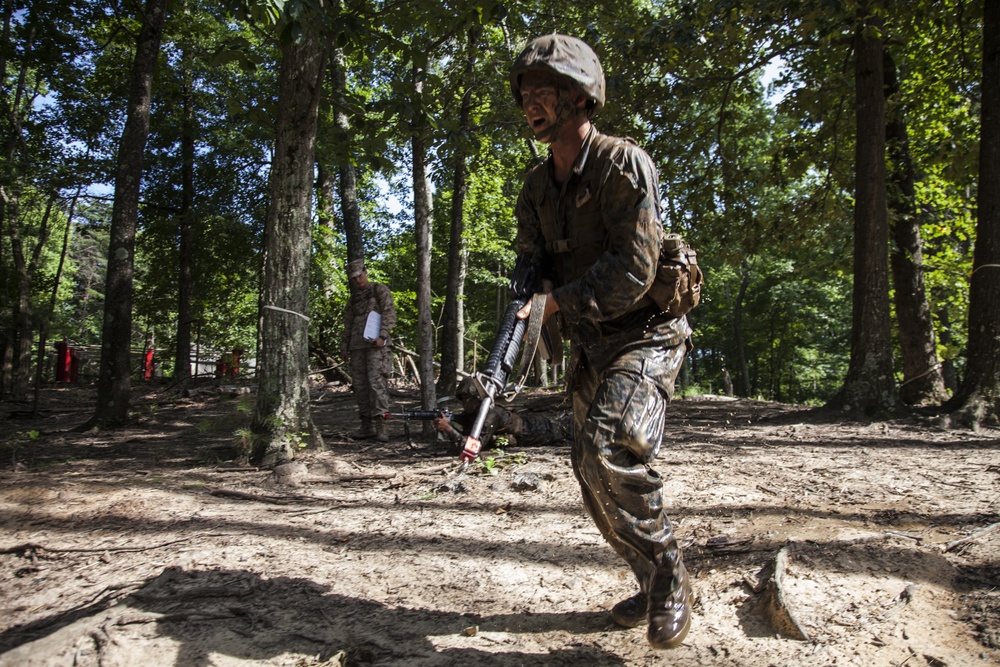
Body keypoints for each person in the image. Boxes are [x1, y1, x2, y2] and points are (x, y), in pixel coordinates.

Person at [508, 35, 694, 649]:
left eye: (544, 92)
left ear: (579, 97)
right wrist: (525, 302)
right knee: (588, 468)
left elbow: (634, 271)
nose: (532, 105)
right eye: (526, 94)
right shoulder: (535, 188)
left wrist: (555, 303)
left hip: (646, 332)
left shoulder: (623, 164)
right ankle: (649, 578)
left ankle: (667, 569)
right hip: (593, 343)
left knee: (611, 446)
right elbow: (530, 262)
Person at [340, 259, 396, 442]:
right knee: (361, 387)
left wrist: (383, 336)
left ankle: (382, 426)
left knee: (376, 384)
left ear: (365, 272)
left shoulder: (379, 289)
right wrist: (344, 346)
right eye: (353, 278)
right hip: (357, 348)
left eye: (359, 276)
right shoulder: (354, 298)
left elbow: (389, 313)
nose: (357, 280)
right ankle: (366, 426)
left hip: (376, 347)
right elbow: (348, 323)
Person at [432, 377, 572, 449]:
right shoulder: (476, 413)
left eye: (468, 399)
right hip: (532, 425)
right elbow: (468, 435)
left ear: (478, 399)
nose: (464, 403)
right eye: (462, 399)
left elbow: (471, 448)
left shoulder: (490, 416)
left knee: (574, 429)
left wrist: (449, 429)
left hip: (542, 430)